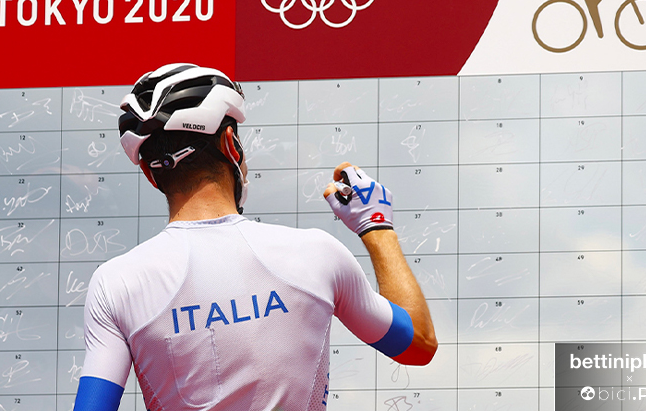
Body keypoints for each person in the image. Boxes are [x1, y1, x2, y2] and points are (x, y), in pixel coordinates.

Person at [73, 64, 437, 411]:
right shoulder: (315, 253)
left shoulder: (116, 283)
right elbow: (418, 345)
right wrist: (376, 226)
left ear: (150, 174)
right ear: (231, 145)